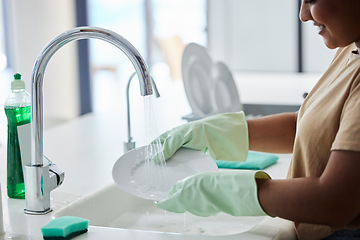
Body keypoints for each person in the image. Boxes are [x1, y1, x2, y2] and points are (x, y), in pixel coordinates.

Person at [153, 0, 360, 239]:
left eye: (312, 0)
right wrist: (217, 131)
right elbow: (314, 127)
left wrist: (226, 191)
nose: (303, 15)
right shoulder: (350, 47)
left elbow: (335, 202)